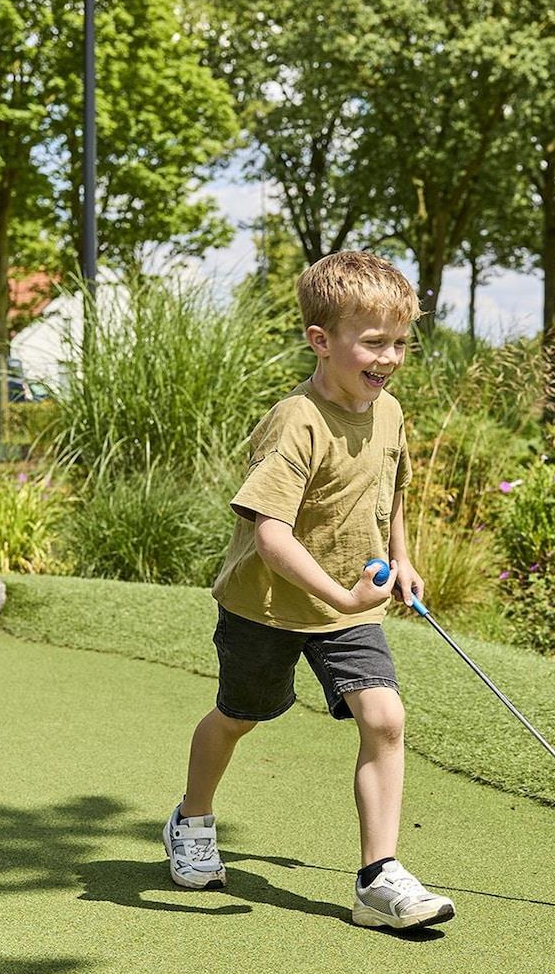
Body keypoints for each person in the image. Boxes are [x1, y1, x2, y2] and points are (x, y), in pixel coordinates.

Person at [163, 251, 455, 930]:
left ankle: (378, 877)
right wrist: (344, 596)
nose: (390, 358)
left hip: (348, 607)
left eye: (401, 343)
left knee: (384, 719)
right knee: (239, 716)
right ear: (321, 340)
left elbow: (393, 492)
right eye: (374, 342)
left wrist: (401, 558)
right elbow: (271, 535)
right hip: (264, 607)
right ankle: (192, 818)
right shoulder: (296, 420)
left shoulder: (390, 413)